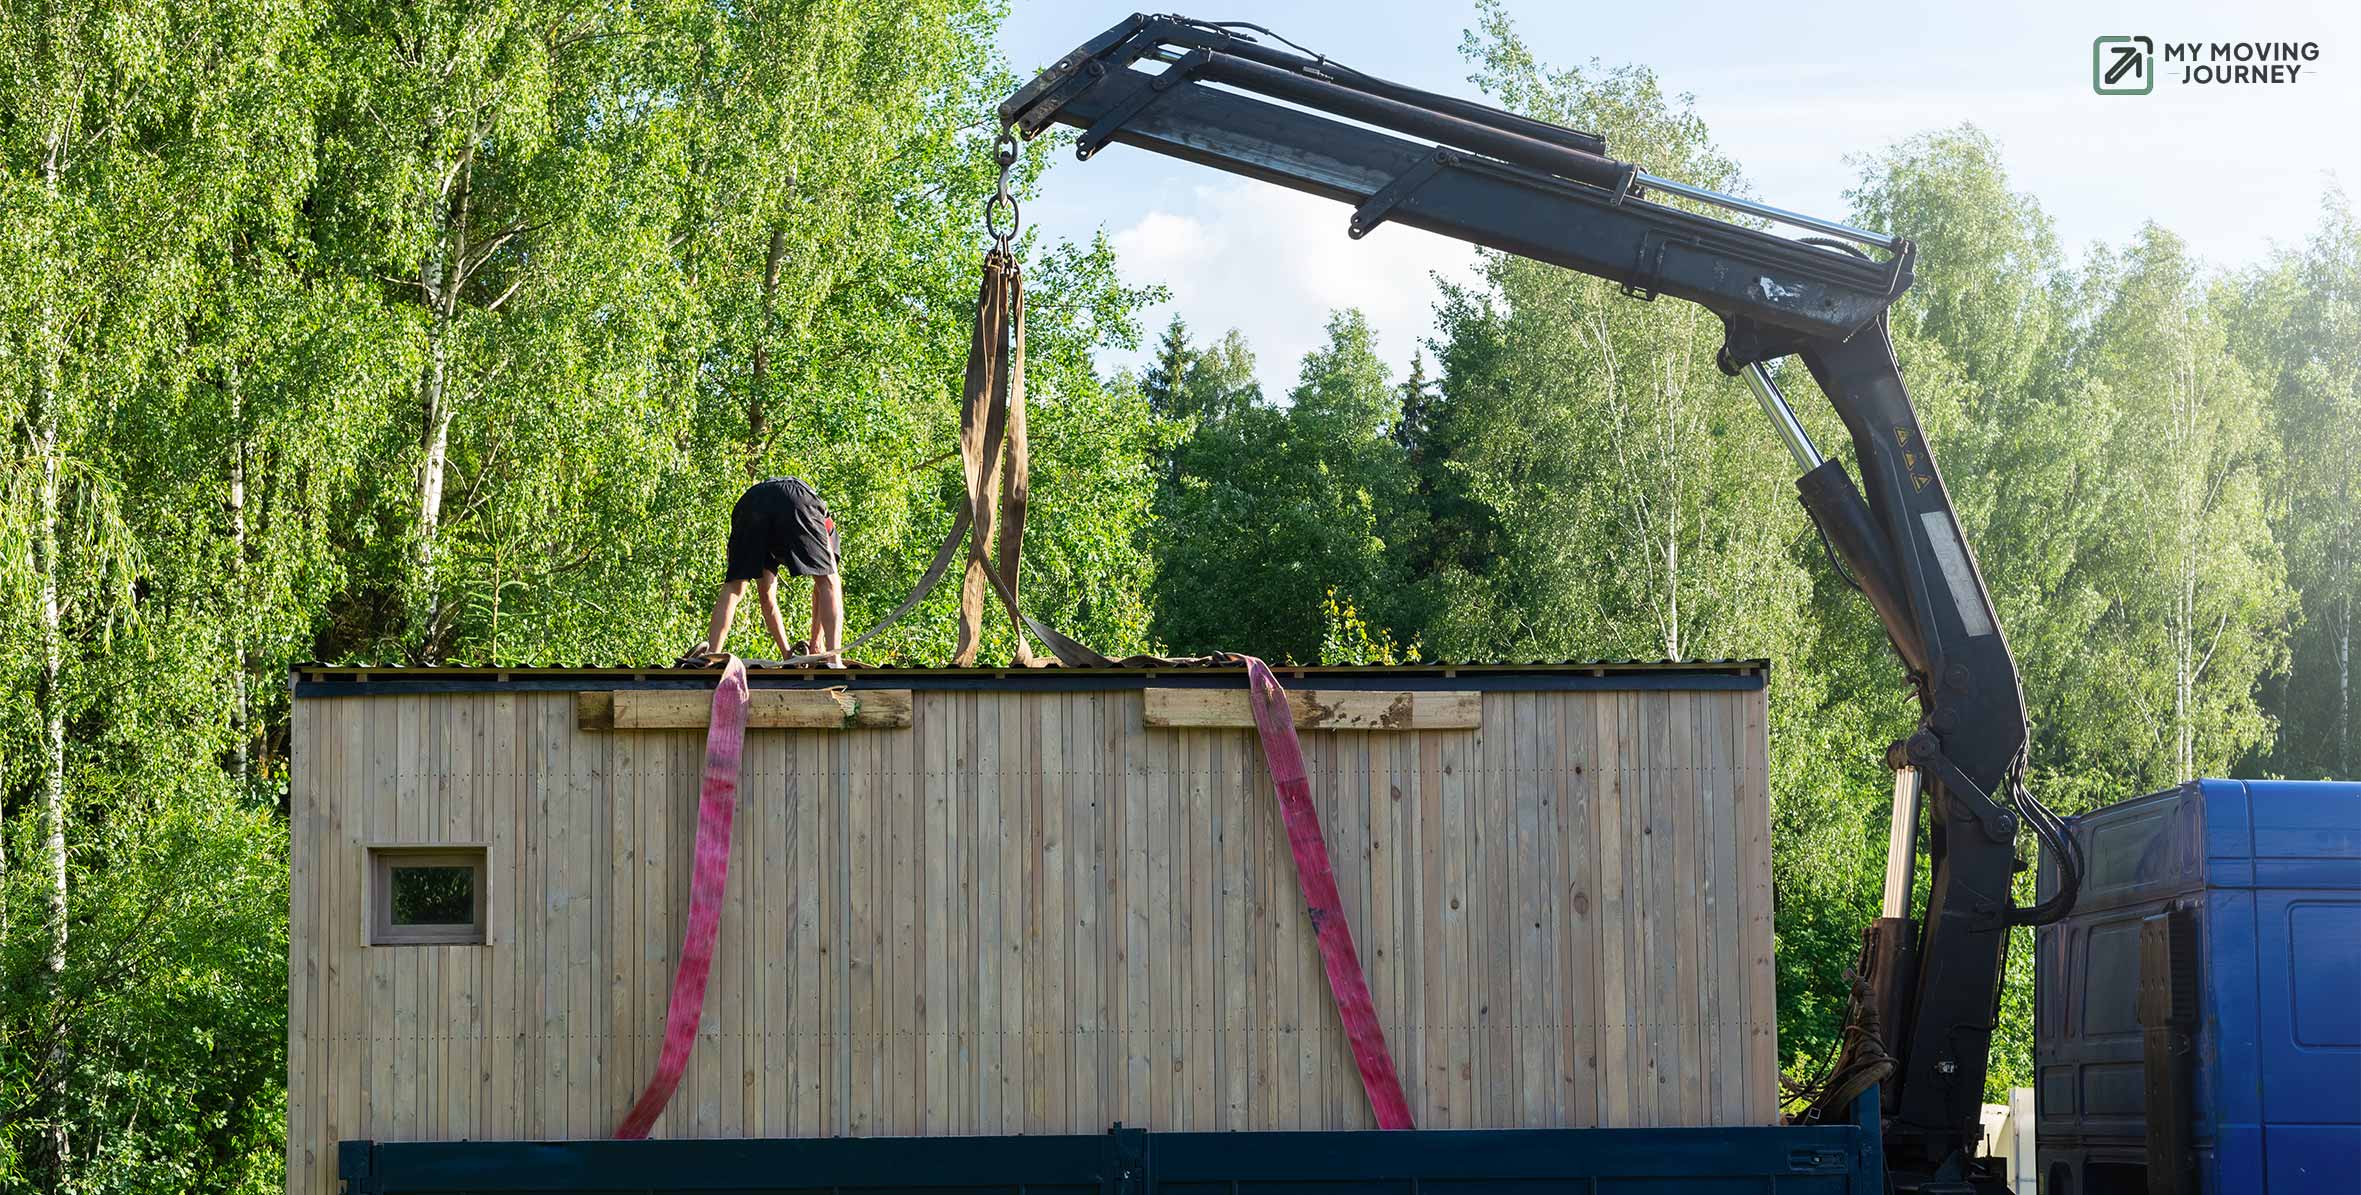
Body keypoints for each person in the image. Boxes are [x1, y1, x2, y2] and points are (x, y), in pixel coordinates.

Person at [695, 477, 845, 666]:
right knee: (831, 581)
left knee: (734, 586)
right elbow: (825, 587)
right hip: (795, 499)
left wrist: (788, 655)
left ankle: (711, 655)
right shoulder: (829, 531)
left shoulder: (775, 540)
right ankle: (834, 660)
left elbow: (767, 600)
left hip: (751, 502)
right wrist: (817, 646)